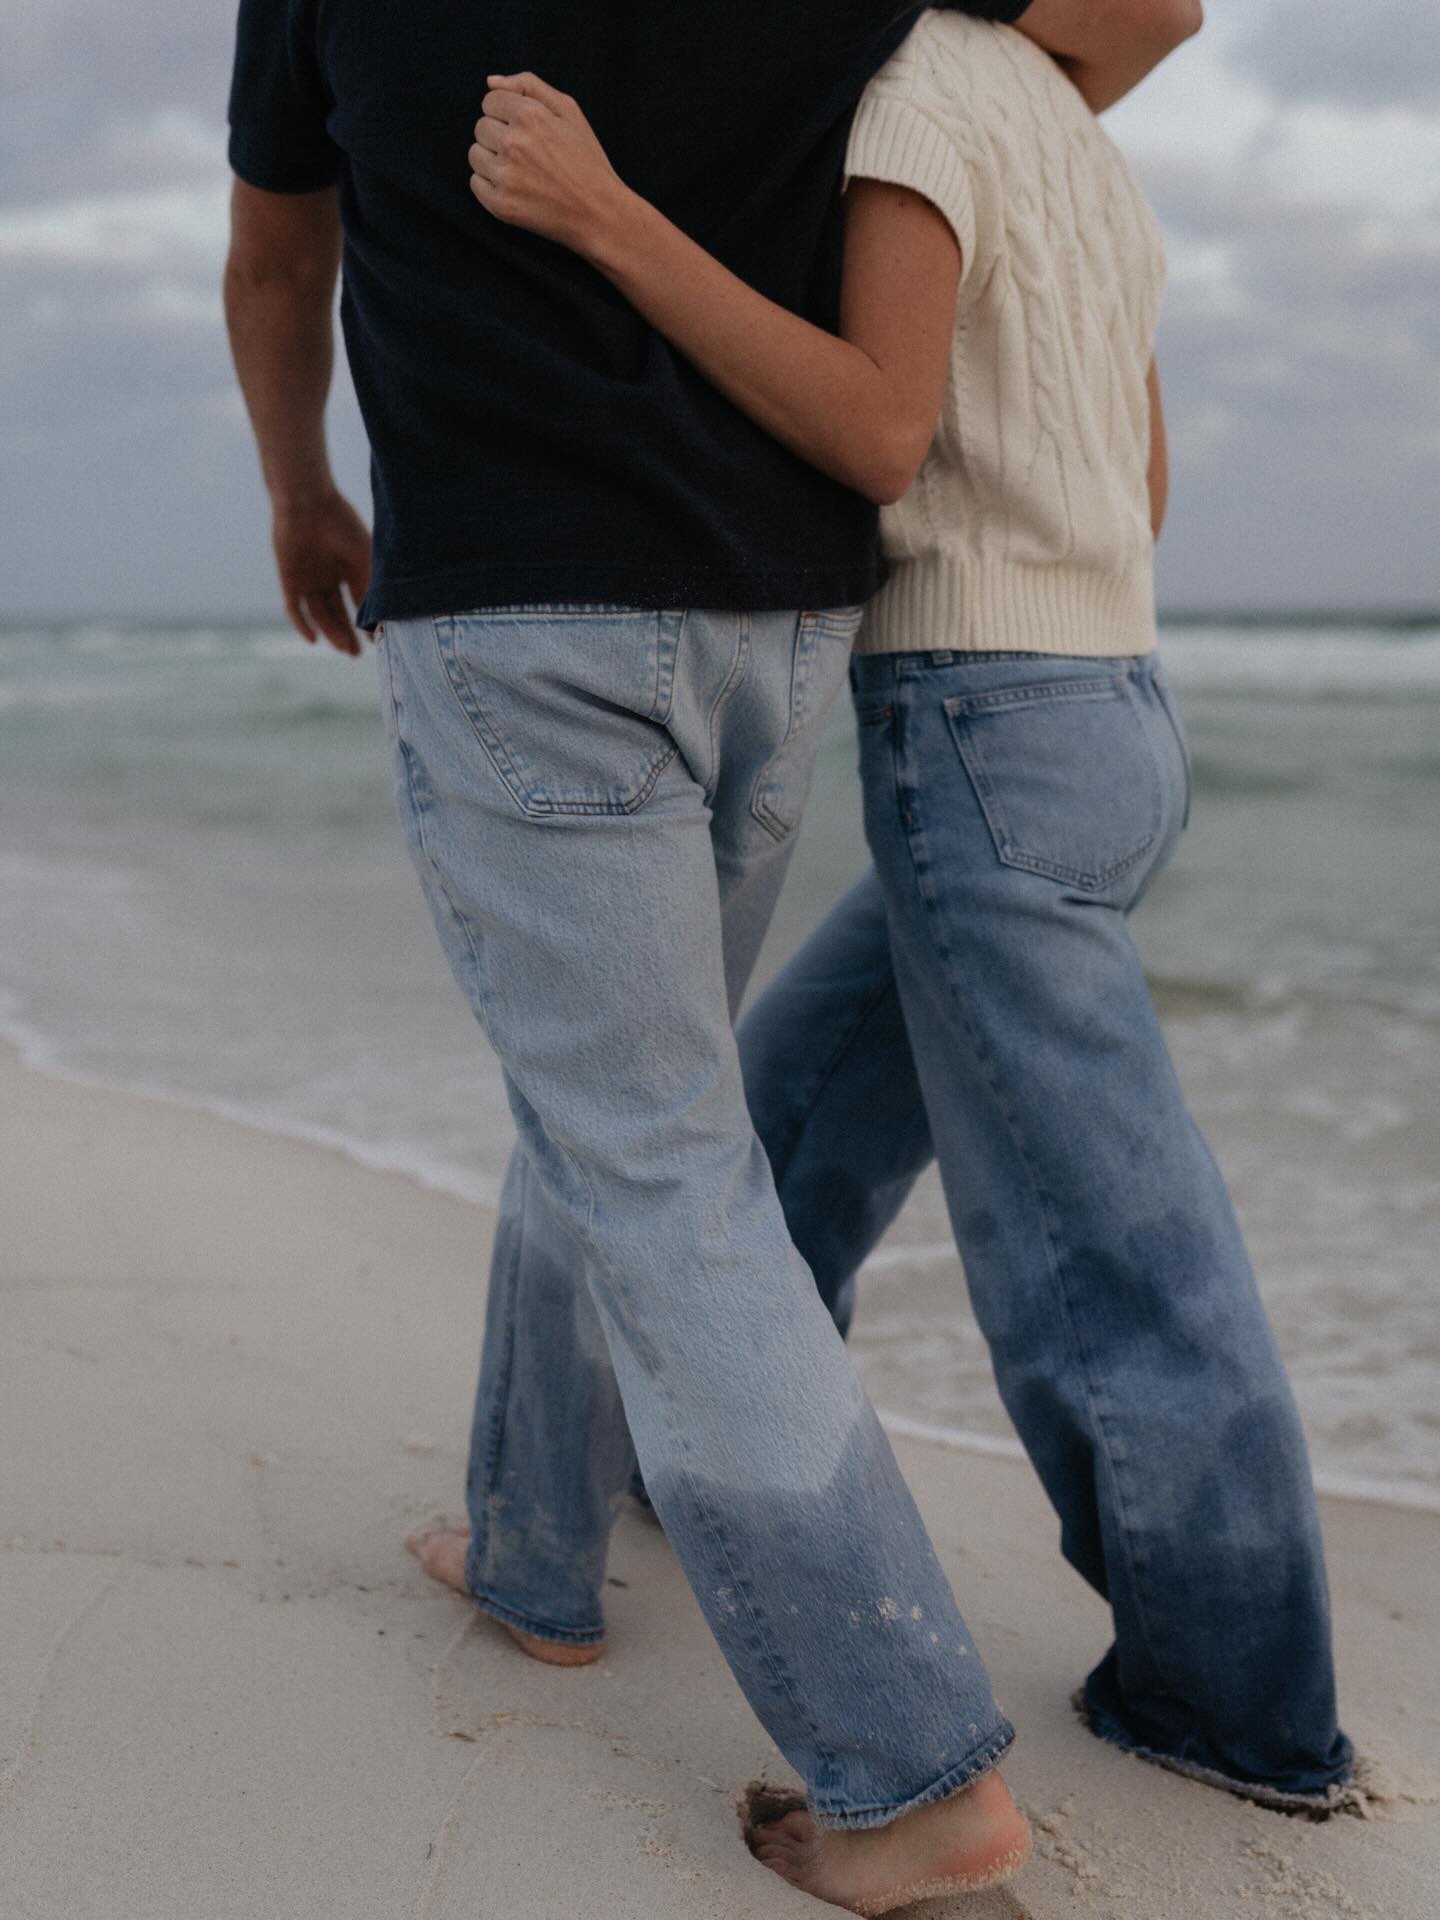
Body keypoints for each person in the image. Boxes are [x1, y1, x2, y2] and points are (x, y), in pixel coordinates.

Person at [223, 3, 1238, 1912]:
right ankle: (533, 1552)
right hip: (774, 608)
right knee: (634, 1107)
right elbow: (1150, 8)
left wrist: (299, 484)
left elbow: (281, 247)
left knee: (653, 1150)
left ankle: (909, 1769)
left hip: (525, 609)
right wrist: (1067, 126)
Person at [452, 0, 1356, 1833]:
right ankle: (694, 1463)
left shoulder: (920, 93)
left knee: (1110, 1259)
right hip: (1112, 707)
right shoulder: (1081, 144)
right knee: (790, 1113)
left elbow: (877, 431)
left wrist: (609, 215)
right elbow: (1145, 485)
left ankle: (1238, 1703)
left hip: (981, 721)